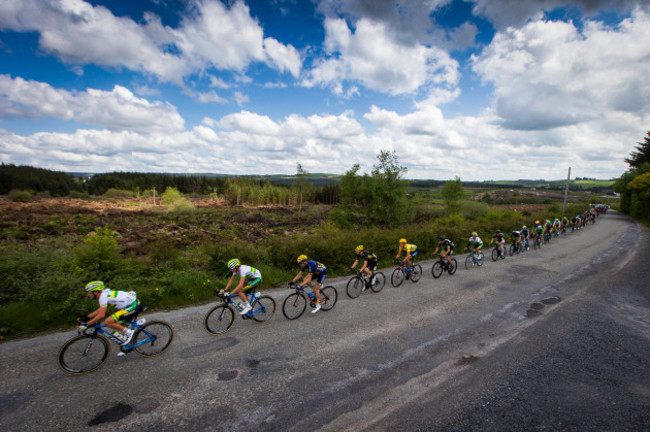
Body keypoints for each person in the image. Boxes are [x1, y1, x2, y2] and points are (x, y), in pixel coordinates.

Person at [80, 281, 137, 345]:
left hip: (132, 306)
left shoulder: (103, 297)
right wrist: (88, 317)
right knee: (120, 328)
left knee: (108, 322)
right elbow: (100, 309)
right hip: (130, 304)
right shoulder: (104, 293)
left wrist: (87, 324)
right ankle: (127, 348)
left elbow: (101, 315)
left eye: (89, 293)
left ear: (95, 292)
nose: (88, 295)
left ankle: (130, 332)